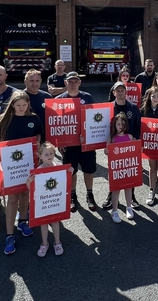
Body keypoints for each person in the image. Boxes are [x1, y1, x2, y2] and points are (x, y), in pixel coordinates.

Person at [0, 90, 43, 255]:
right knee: (12, 198)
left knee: (25, 194)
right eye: (18, 105)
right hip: (11, 165)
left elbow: (38, 133)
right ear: (12, 105)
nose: (22, 108)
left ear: (28, 104)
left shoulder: (34, 118)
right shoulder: (5, 120)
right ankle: (9, 234)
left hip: (28, 163)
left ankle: (23, 221)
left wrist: (37, 140)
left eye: (24, 105)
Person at [56, 71, 98, 212]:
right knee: (71, 170)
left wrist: (92, 137)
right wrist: (59, 142)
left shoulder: (88, 97)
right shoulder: (59, 100)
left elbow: (95, 119)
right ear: (65, 83)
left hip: (86, 142)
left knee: (89, 169)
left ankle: (90, 193)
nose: (73, 84)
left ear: (80, 83)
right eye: (70, 81)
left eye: (76, 81)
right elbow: (56, 124)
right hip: (69, 144)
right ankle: (73, 195)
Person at [27, 142, 72, 257]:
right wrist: (29, 182)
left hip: (54, 201)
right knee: (44, 223)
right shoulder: (37, 170)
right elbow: (30, 188)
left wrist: (69, 172)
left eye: (51, 153)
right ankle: (45, 243)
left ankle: (57, 242)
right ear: (40, 156)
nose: (49, 156)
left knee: (55, 221)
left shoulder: (58, 167)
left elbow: (65, 182)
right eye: (46, 154)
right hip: (44, 202)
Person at [101, 82, 142, 210]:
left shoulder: (134, 108)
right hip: (114, 145)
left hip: (129, 145)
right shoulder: (108, 108)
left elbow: (138, 126)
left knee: (130, 170)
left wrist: (136, 141)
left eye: (122, 90)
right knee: (114, 172)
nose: (120, 93)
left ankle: (132, 197)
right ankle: (111, 197)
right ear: (113, 93)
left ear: (126, 92)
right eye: (117, 90)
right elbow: (101, 126)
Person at [106, 114, 137, 223]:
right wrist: (107, 151)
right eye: (118, 124)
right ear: (114, 125)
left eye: (123, 124)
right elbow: (107, 152)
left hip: (127, 168)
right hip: (115, 169)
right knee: (116, 190)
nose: (120, 126)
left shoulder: (129, 137)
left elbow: (135, 150)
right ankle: (114, 211)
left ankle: (129, 207)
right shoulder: (111, 138)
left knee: (128, 188)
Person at [24, 69, 52, 141]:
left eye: (37, 81)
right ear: (25, 82)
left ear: (41, 81)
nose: (34, 84)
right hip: (26, 139)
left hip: (45, 140)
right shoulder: (19, 97)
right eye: (31, 81)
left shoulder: (47, 97)